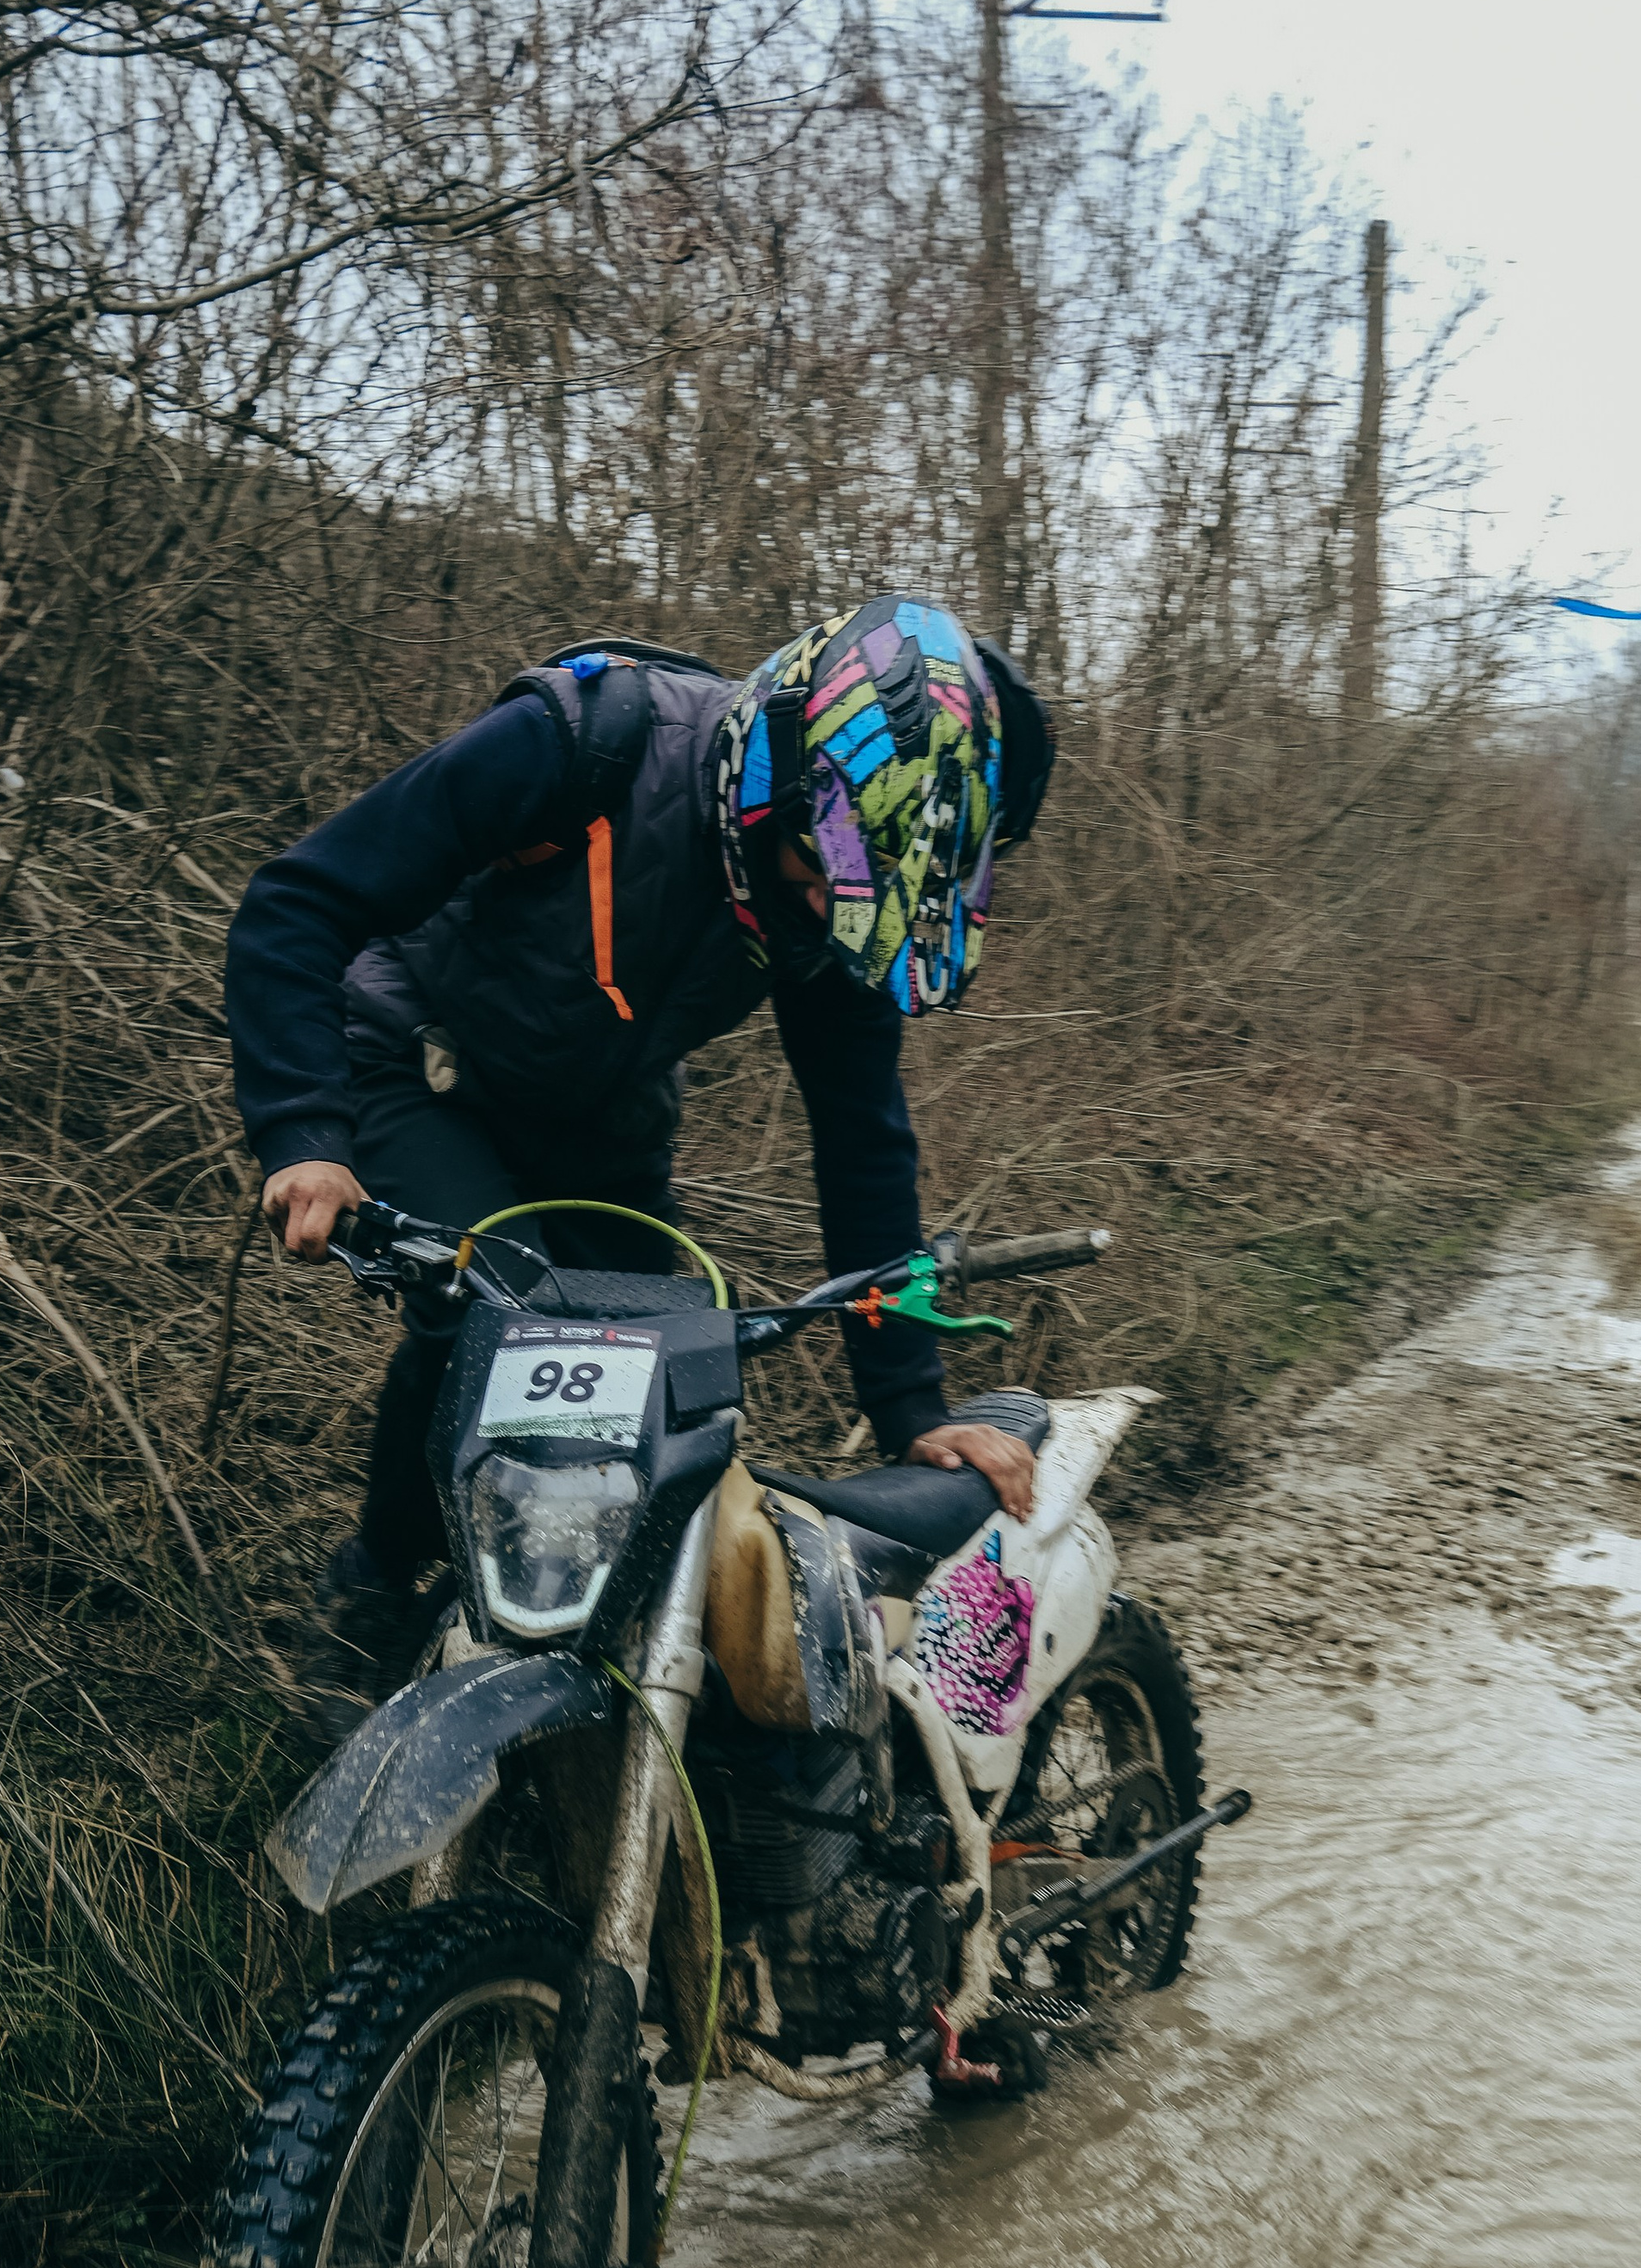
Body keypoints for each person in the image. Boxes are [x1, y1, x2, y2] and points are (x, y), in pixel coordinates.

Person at [225, 598, 1055, 1704]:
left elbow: (861, 1141)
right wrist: (304, 1136)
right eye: (824, 867)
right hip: (418, 1060)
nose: (831, 902)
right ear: (776, 784)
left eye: (866, 894)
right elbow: (298, 903)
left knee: (650, 1393)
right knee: (502, 1319)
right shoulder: (581, 745)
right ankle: (375, 1593)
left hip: (595, 1115)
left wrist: (910, 1410)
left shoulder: (834, 912)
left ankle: (590, 1672)